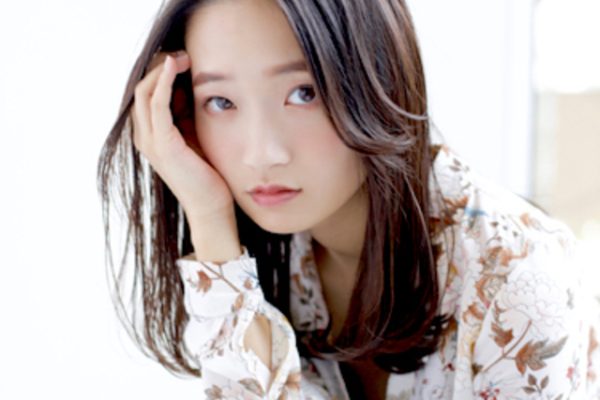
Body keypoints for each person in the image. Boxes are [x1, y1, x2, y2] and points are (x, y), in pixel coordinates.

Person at [97, 0, 600, 398]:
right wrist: (208, 216)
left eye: (304, 93)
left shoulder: (515, 276)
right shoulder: (276, 252)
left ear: (379, 79)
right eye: (221, 101)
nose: (262, 153)